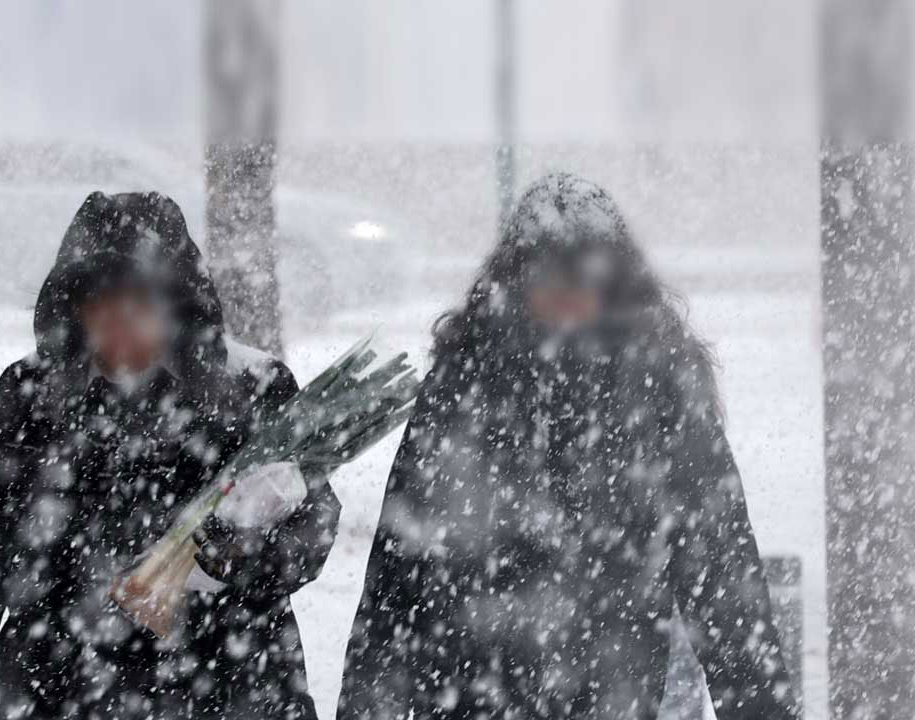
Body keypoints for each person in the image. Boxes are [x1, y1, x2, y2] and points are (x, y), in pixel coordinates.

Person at [337, 174, 797, 720]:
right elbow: (396, 584)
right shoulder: (466, 387)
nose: (566, 300)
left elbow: (723, 586)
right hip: (469, 695)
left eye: (582, 280)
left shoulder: (661, 396)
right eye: (549, 279)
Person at [0, 191, 340, 719]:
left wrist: (234, 553)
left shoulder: (253, 389)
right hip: (59, 681)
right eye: (99, 300)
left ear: (180, 306)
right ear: (72, 306)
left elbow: (312, 522)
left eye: (142, 300)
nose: (120, 320)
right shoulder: (28, 395)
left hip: (225, 680)